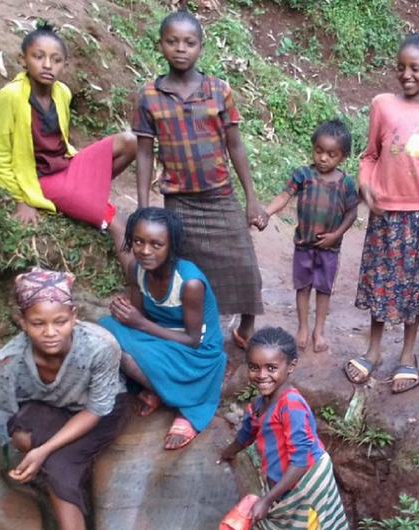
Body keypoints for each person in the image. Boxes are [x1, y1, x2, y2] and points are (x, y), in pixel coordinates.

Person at [0, 269, 129, 530]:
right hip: (52, 408)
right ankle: (62, 468)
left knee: (57, 465)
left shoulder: (100, 347)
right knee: (22, 438)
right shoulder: (11, 360)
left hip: (101, 412)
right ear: (23, 322)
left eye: (60, 321)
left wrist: (43, 451)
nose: (50, 332)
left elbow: (96, 409)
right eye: (38, 323)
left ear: (74, 317)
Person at [130, 10, 265, 348]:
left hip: (220, 195)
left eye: (189, 42)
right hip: (179, 200)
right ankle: (196, 327)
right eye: (172, 41)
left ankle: (246, 325)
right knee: (187, 269)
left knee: (242, 261)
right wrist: (145, 209)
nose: (180, 48)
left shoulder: (218, 90)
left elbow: (235, 144)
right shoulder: (149, 96)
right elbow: (144, 152)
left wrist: (251, 198)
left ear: (200, 48)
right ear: (160, 45)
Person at [344, 32, 419, 393]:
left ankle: (407, 355)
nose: (407, 75)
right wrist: (365, 184)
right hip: (385, 214)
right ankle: (373, 349)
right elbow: (371, 155)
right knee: (379, 281)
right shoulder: (382, 105)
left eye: (415, 68)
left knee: (413, 288)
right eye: (401, 68)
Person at [0, 21, 137, 239]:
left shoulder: (62, 92)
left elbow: (60, 142)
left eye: (56, 60)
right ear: (23, 60)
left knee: (130, 141)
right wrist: (22, 200)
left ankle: (87, 191)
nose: (47, 65)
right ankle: (81, 199)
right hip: (40, 179)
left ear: (64, 64)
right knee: (116, 222)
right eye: (38, 57)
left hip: (66, 165)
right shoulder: (11, 96)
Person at [99, 207, 226, 450]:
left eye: (156, 244)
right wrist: (127, 315)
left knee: (129, 352)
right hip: (160, 338)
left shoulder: (189, 283)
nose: (145, 251)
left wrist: (139, 322)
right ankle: (159, 387)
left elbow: (193, 340)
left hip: (196, 352)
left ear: (171, 247)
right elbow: (139, 319)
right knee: (106, 330)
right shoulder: (138, 270)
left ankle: (183, 406)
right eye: (138, 242)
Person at [219, 327, 350, 530]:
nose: (262, 375)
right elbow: (247, 434)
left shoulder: (291, 406)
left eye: (271, 368)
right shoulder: (258, 405)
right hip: (286, 478)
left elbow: (301, 459)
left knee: (311, 524)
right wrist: (228, 453)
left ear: (290, 366)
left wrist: (267, 499)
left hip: (307, 479)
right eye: (254, 367)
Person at [263, 119, 360, 353]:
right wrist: (266, 212)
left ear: (343, 157)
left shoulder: (345, 183)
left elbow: (352, 212)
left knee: (324, 289)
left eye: (331, 154)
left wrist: (335, 235)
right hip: (304, 245)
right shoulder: (303, 175)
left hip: (330, 248)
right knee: (303, 287)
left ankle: (319, 330)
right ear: (313, 149)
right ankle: (303, 327)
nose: (323, 158)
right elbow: (285, 196)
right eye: (319, 151)